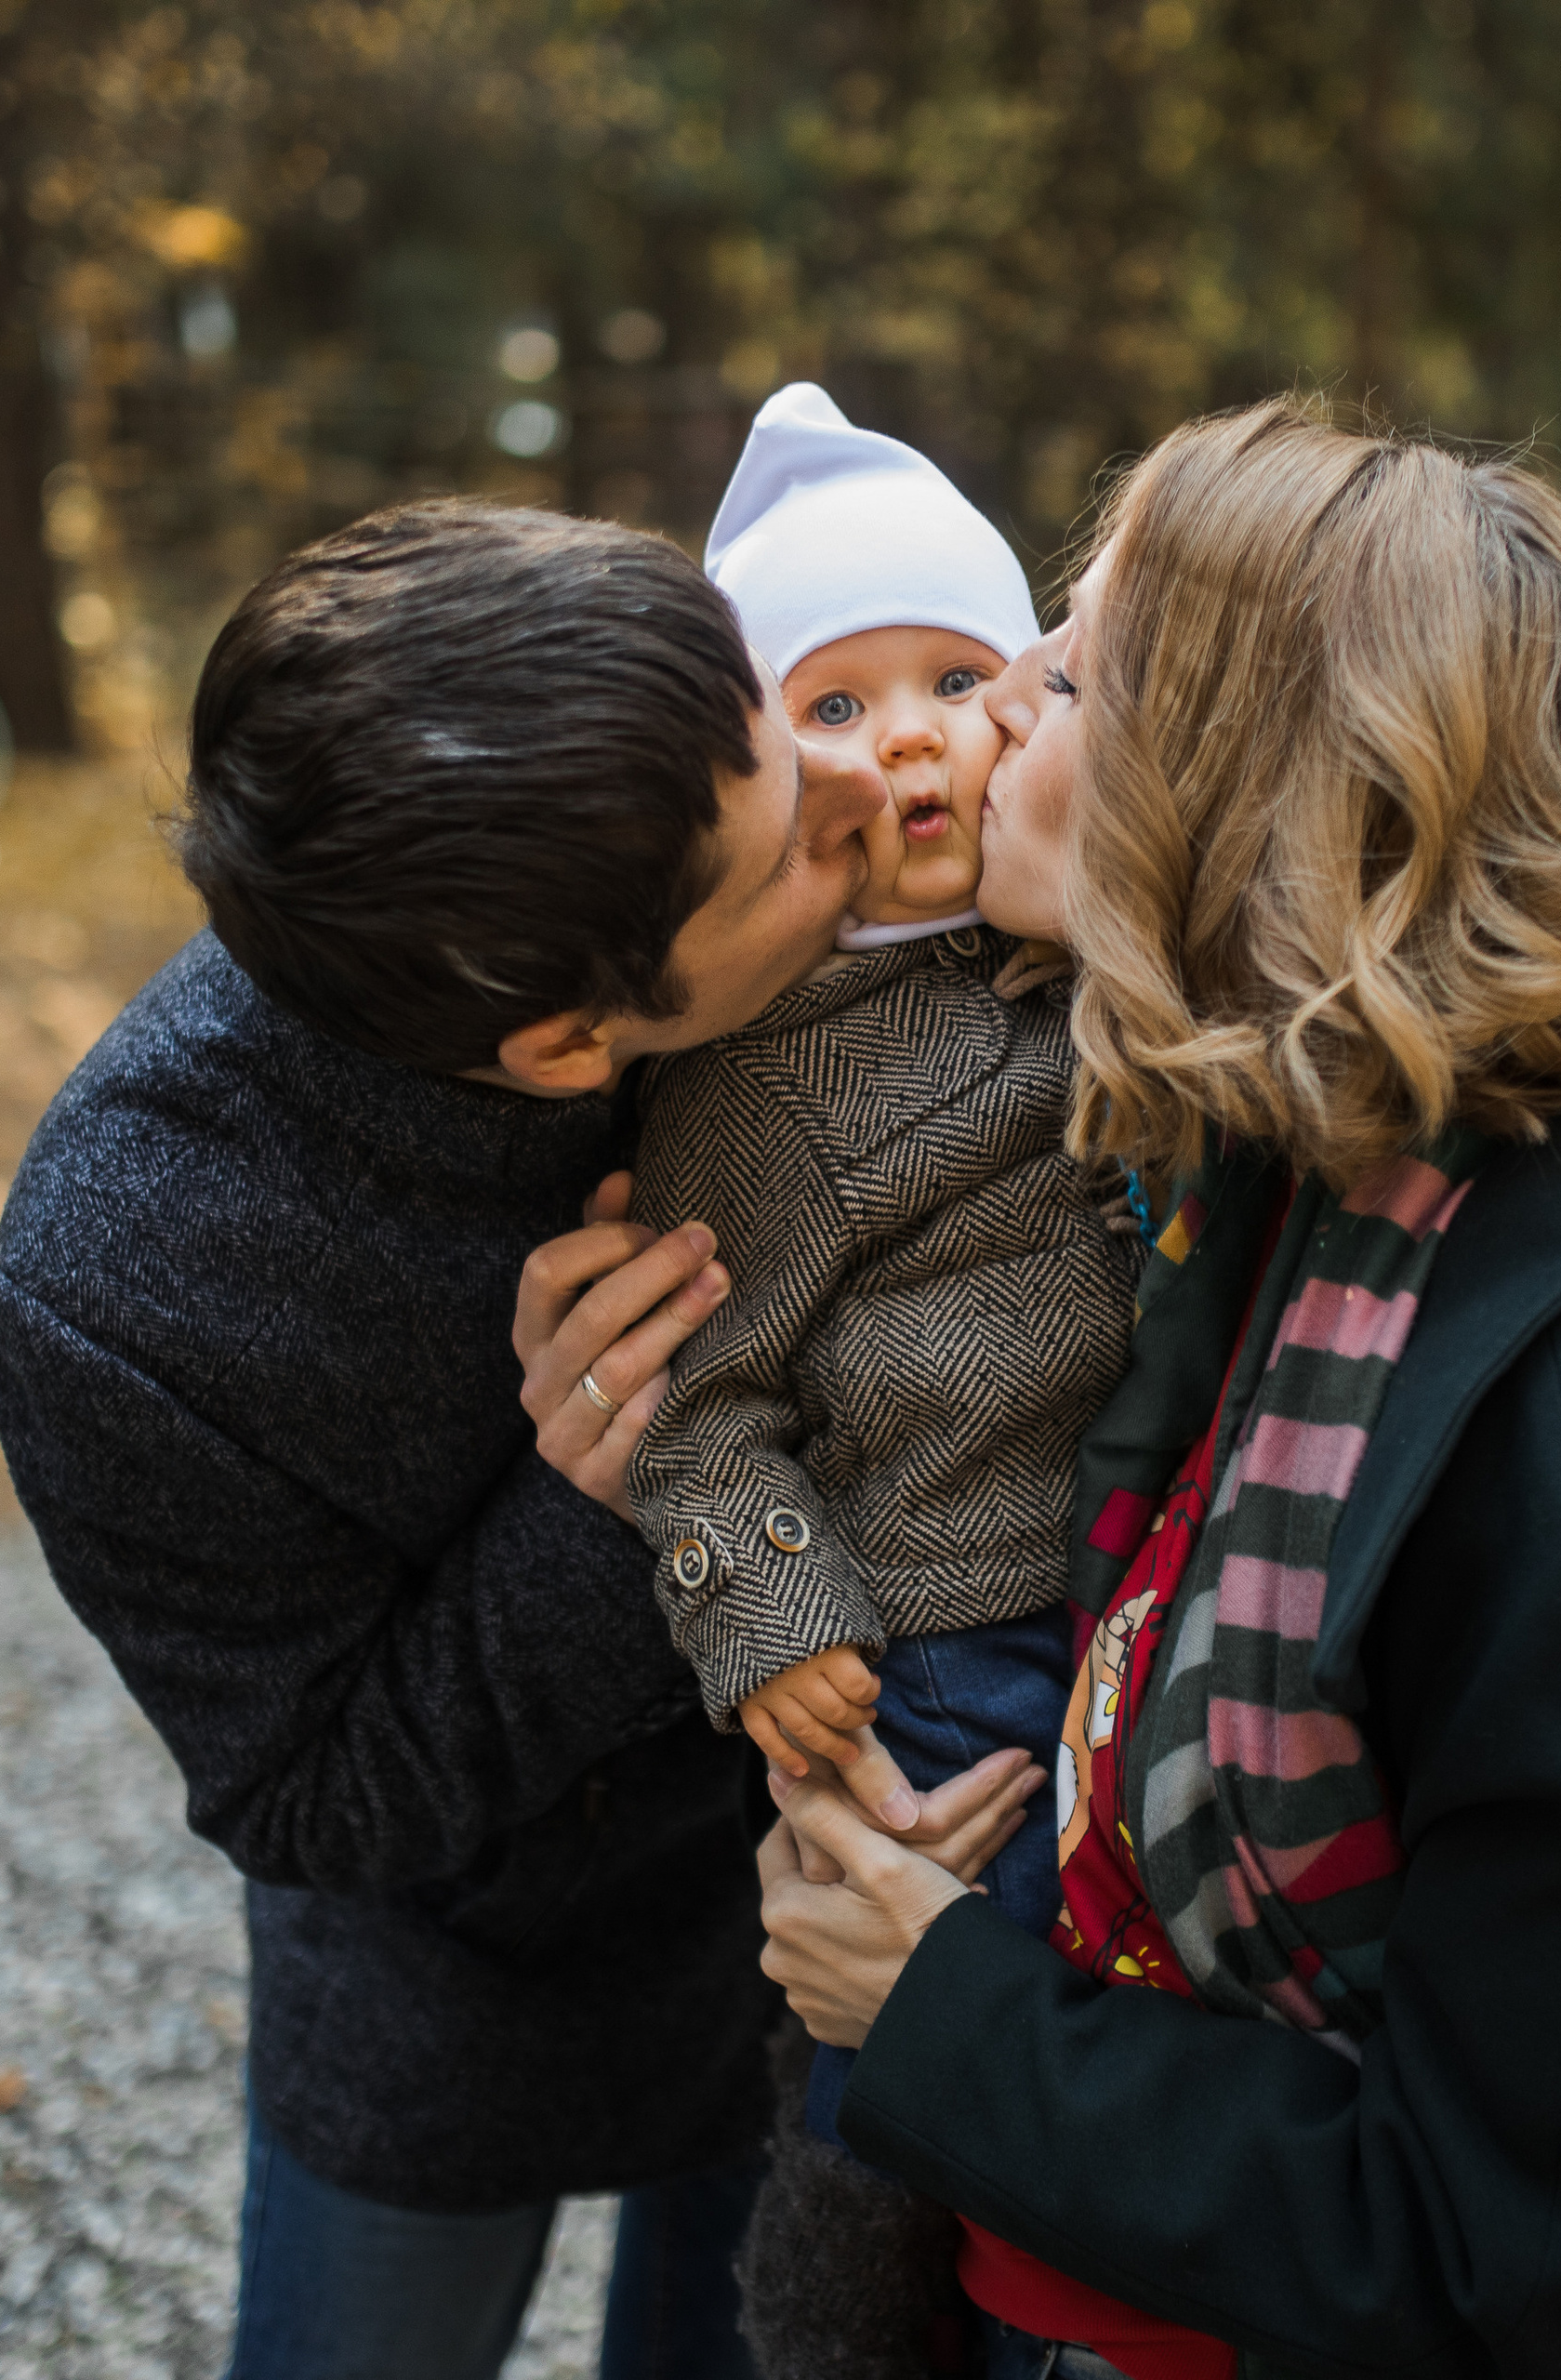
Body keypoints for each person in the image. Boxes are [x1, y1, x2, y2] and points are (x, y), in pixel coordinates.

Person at [747, 402, 1561, 2380]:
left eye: (1070, 667)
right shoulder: (1309, 1164)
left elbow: (1504, 2248)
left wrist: (939, 2012)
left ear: (1244, 785)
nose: (993, 701)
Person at [0, 500, 1038, 2380]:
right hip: (445, 1988)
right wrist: (597, 1517)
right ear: (569, 1043)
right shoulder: (121, 1276)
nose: (844, 768)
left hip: (795, 1915)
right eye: (779, 819)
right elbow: (301, 1795)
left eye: (768, 695)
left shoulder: (774, 921)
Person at [618, 385, 1142, 2376]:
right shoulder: (771, 1075)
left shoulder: (1085, 953)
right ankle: (840, 2327)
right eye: (832, 708)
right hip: (942, 1634)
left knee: (1086, 2030)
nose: (907, 734)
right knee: (904, 2041)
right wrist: (766, 1608)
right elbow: (700, 1396)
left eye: (950, 675)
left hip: (1125, 1597)